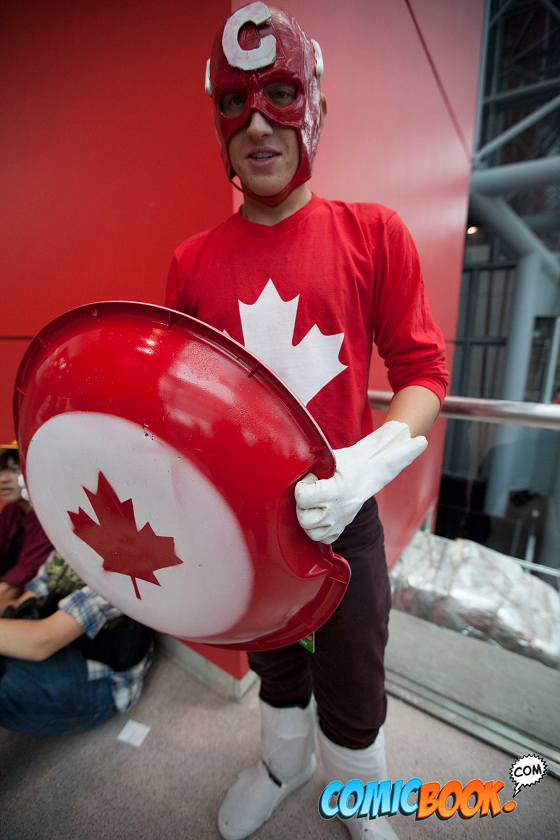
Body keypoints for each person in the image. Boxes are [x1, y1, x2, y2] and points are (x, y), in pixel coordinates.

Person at [166, 5, 448, 839]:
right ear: (217, 117)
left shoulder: (375, 234)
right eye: (237, 103)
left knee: (355, 669)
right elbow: (178, 396)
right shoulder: (190, 261)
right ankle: (285, 764)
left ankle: (359, 795)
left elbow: (424, 372)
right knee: (274, 659)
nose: (258, 123)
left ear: (312, 102)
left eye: (280, 95)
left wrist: (367, 462)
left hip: (345, 517)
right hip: (247, 527)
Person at [0, 549, 154, 736]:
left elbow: (43, 640)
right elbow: (24, 602)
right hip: (64, 647)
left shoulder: (127, 558)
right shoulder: (68, 545)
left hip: (105, 678)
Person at [0, 442, 54, 610]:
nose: (3, 479)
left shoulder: (48, 515)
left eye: (15, 470)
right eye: (1, 470)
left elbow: (24, 573)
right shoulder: (12, 509)